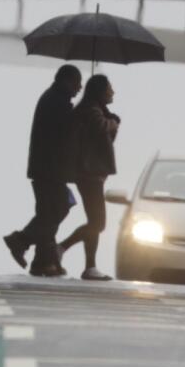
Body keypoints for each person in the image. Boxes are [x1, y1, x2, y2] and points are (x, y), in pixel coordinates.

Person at [3, 64, 82, 277]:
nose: (79, 88)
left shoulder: (55, 99)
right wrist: (77, 115)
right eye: (77, 83)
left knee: (51, 212)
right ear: (66, 81)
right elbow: (64, 134)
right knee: (55, 211)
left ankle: (42, 261)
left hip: (47, 168)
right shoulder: (56, 102)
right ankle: (21, 240)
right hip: (49, 169)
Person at [59, 74, 119, 281]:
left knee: (95, 221)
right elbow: (101, 128)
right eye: (110, 88)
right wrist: (114, 122)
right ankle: (65, 250)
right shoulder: (91, 111)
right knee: (98, 222)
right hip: (89, 174)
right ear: (100, 91)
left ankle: (86, 264)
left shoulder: (95, 110)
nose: (113, 92)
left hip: (91, 174)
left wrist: (110, 119)